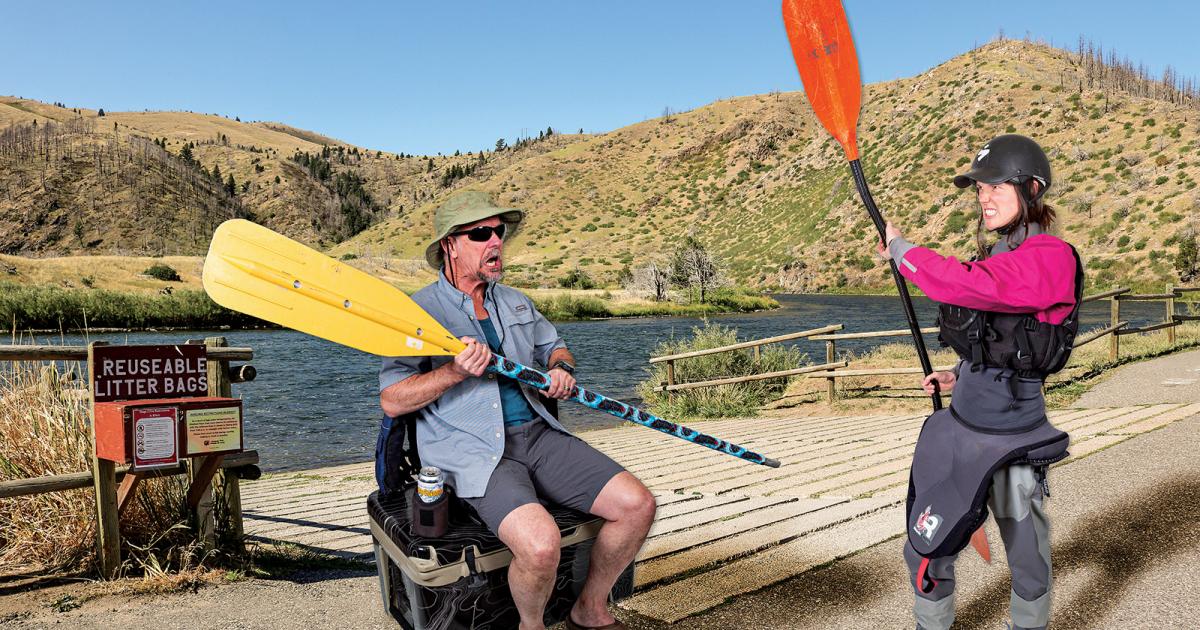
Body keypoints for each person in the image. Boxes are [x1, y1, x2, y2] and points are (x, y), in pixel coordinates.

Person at [378, 190, 655, 630]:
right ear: (449, 244)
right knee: (541, 545)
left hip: (538, 434)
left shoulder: (516, 302)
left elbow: (555, 346)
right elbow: (393, 399)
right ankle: (532, 626)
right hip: (471, 451)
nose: (496, 242)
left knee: (637, 505)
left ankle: (590, 609)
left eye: (499, 232)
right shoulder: (417, 312)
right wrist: (453, 372)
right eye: (480, 233)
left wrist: (561, 369)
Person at [877, 135, 1083, 630]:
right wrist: (960, 371)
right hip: (961, 430)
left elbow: (967, 284)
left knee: (1026, 556)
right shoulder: (1000, 256)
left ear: (1031, 189)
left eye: (996, 186)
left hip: (1013, 440)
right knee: (924, 549)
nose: (984, 197)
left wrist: (904, 252)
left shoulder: (1051, 256)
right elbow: (999, 335)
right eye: (979, 188)